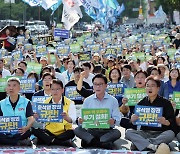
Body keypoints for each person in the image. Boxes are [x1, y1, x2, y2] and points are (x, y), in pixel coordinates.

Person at [125, 76, 176, 152]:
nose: (149, 88)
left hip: (160, 133)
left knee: (170, 134)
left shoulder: (166, 103)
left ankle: (143, 144)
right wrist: (132, 120)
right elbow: (133, 123)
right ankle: (153, 146)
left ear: (158, 88)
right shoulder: (141, 102)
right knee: (128, 132)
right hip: (144, 133)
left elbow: (172, 122)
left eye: (152, 86)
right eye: (147, 86)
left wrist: (165, 122)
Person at [74, 74, 121, 149]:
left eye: (100, 84)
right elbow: (82, 118)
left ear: (106, 85)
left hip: (106, 131)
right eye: (95, 84)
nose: (98, 87)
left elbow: (118, 119)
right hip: (91, 130)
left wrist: (113, 121)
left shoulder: (113, 100)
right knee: (77, 130)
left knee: (117, 133)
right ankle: (101, 143)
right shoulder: (87, 100)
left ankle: (91, 142)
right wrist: (80, 120)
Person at [32, 79, 76, 146]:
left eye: (57, 89)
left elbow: (73, 119)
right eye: (52, 89)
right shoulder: (45, 102)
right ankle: (57, 141)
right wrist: (37, 117)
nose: (55, 92)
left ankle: (49, 140)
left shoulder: (70, 102)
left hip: (64, 132)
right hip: (49, 131)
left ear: (62, 90)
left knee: (73, 132)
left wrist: (67, 117)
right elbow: (41, 121)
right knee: (35, 130)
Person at [0, 77, 35, 146]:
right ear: (6, 88)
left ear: (19, 88)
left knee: (30, 131)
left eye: (14, 85)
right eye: (9, 85)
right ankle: (17, 142)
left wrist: (26, 128)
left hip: (21, 132)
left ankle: (11, 141)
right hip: (6, 132)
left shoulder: (26, 102)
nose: (11, 88)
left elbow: (31, 118)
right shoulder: (1, 103)